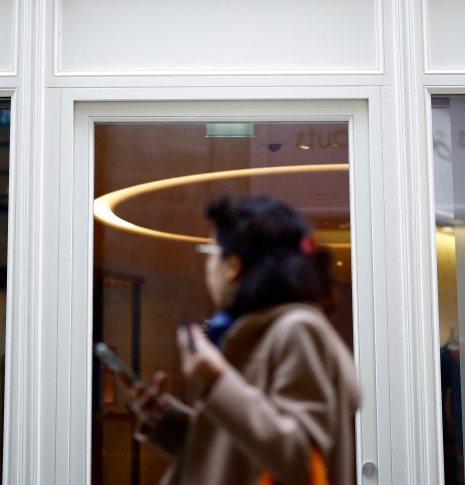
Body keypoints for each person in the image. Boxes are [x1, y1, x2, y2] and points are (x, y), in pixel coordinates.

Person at [126, 195, 360, 485]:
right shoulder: (256, 333)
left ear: (233, 265)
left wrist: (217, 380)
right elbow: (241, 453)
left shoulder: (296, 329)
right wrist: (166, 419)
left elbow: (300, 460)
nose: (207, 267)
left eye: (211, 251)